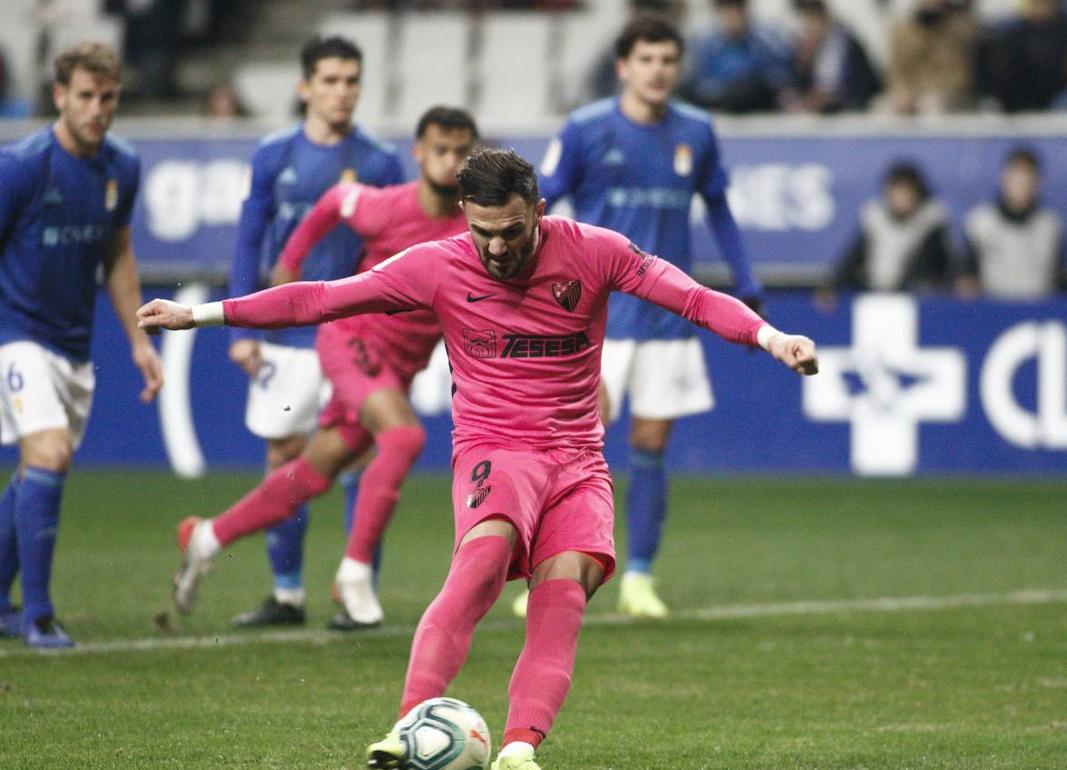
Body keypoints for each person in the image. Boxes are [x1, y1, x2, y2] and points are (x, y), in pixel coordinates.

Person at [137, 147, 818, 770]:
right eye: (481, 230)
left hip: (578, 458)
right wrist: (200, 316)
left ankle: (520, 750)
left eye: (510, 231)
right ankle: (408, 731)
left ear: (539, 213)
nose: (495, 247)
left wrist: (771, 336)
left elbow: (692, 297)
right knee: (484, 562)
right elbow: (321, 298)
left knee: (566, 589)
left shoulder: (598, 252)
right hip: (495, 450)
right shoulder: (437, 263)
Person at [173, 106, 476, 630]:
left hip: (397, 367)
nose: (450, 162)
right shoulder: (385, 207)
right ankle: (354, 576)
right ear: (419, 153)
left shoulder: (475, 227)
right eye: (440, 150)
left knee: (312, 474)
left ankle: (208, 537)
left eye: (460, 152)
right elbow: (336, 199)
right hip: (352, 341)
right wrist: (289, 263)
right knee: (403, 438)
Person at [533, 15, 765, 619]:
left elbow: (718, 208)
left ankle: (637, 575)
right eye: (647, 60)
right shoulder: (586, 129)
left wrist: (748, 284)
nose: (658, 71)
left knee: (651, 443)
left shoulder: (697, 131)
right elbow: (542, 200)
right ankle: (550, 565)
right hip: (592, 316)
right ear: (623, 67)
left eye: (667, 60)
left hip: (667, 317)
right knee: (580, 443)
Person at [228, 35, 404, 628]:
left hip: (354, 334)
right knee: (284, 454)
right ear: (305, 87)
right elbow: (249, 240)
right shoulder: (274, 154)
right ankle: (286, 593)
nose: (342, 92)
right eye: (330, 80)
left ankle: (358, 597)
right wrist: (240, 326)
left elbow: (399, 248)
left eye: (351, 80)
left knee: (357, 457)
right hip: (284, 333)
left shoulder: (380, 161)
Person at [0, 42, 163, 648]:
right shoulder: (21, 166)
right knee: (48, 456)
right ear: (60, 95)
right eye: (86, 96)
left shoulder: (123, 166)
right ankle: (38, 615)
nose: (98, 108)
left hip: (72, 346)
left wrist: (139, 342)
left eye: (109, 97)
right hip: (16, 337)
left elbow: (117, 253)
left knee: (36, 470)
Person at [818, 161, 955, 302]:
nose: (901, 198)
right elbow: (853, 256)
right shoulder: (875, 217)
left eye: (906, 192)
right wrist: (832, 285)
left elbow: (938, 263)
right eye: (896, 192)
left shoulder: (932, 220)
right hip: (874, 292)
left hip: (916, 297)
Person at [958, 147, 1065, 299]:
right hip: (993, 311)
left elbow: (1058, 278)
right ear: (1003, 178)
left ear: (1037, 183)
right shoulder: (980, 223)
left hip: (1038, 314)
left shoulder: (1050, 226)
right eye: (1016, 179)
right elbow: (967, 279)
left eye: (1028, 181)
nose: (1021, 187)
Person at [682, 0, 792, 113]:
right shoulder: (705, 44)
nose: (733, 18)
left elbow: (781, 78)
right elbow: (697, 85)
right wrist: (724, 90)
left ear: (745, 12)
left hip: (760, 108)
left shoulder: (765, 40)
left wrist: (753, 85)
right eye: (728, 12)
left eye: (737, 12)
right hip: (719, 107)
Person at [979, 0, 1067, 113]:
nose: (1041, 7)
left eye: (1046, 3)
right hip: (1018, 105)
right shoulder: (1013, 35)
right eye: (1037, 2)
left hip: (1059, 100)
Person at [783, 0, 881, 114]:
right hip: (814, 114)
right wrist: (804, 62)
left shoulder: (847, 44)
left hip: (847, 110)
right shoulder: (804, 48)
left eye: (814, 20)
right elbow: (796, 88)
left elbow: (865, 85)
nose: (811, 27)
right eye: (808, 22)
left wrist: (831, 97)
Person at [884, 0, 978, 115]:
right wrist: (903, 93)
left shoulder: (960, 29)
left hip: (948, 98)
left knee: (932, 106)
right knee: (885, 108)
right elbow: (896, 73)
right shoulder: (902, 30)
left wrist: (924, 96)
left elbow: (960, 78)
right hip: (909, 95)